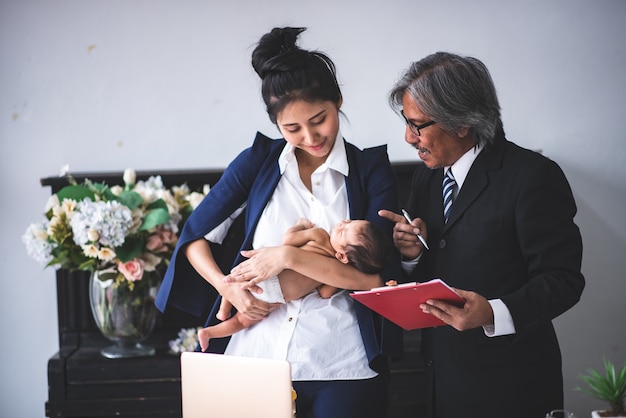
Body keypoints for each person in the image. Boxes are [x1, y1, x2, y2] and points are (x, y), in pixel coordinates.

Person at [155, 27, 402, 418]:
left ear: (338, 100)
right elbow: (193, 237)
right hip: (254, 359)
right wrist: (227, 288)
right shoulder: (257, 163)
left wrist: (286, 256)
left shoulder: (371, 171)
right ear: (276, 125)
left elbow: (374, 279)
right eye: (292, 128)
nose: (310, 136)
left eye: (319, 119)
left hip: (342, 360)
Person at [376, 52, 585, 418]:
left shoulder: (533, 177)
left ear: (462, 124)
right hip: (440, 383)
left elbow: (564, 280)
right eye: (406, 122)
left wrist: (492, 312)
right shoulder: (428, 175)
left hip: (513, 389)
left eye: (418, 125)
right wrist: (411, 254)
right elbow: (435, 264)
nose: (409, 137)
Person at [197, 217, 392, 351]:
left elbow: (289, 240)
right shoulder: (332, 274)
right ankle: (209, 333)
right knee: (242, 320)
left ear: (342, 256)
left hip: (269, 275)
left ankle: (219, 316)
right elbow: (324, 293)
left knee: (236, 279)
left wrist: (300, 225)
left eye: (343, 231)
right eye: (348, 222)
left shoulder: (320, 235)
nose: (342, 223)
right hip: (277, 296)